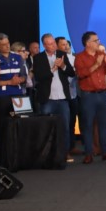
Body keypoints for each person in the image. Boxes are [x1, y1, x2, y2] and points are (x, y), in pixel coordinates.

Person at [74, 31, 106, 164]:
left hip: (102, 94)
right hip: (88, 96)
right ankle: (88, 154)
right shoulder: (79, 57)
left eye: (98, 40)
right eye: (96, 40)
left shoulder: (101, 54)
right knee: (87, 125)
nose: (98, 42)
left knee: (104, 124)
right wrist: (97, 64)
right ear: (88, 43)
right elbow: (81, 74)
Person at [33, 33, 76, 163]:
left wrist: (62, 66)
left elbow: (71, 73)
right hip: (48, 99)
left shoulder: (62, 54)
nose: (53, 46)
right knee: (46, 127)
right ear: (44, 45)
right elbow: (38, 77)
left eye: (53, 43)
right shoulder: (38, 58)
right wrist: (53, 69)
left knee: (65, 127)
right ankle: (46, 154)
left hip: (63, 98)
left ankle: (66, 153)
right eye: (50, 44)